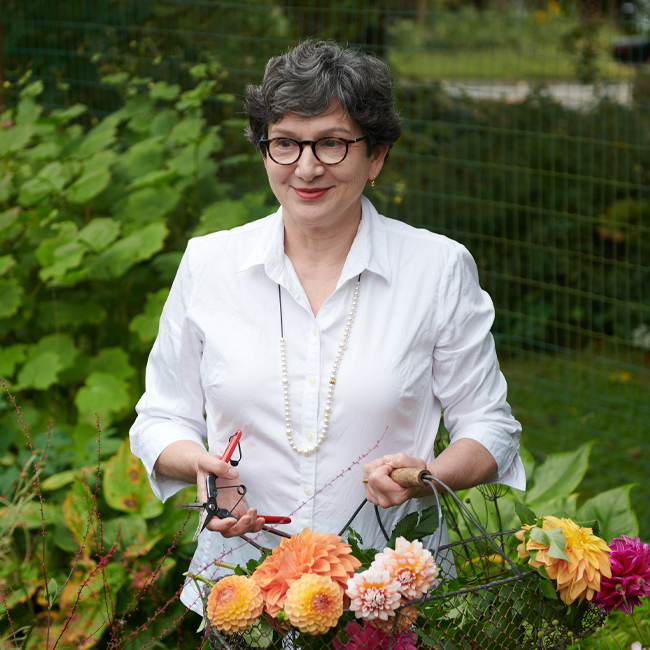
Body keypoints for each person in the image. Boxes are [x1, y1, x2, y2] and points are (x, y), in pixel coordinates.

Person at [129, 40, 525, 616]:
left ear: (377, 155)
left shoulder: (436, 269)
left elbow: (491, 425)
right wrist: (203, 467)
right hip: (244, 592)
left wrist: (428, 475)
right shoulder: (208, 265)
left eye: (332, 143)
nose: (307, 167)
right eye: (286, 143)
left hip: (390, 594)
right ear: (265, 150)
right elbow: (161, 418)